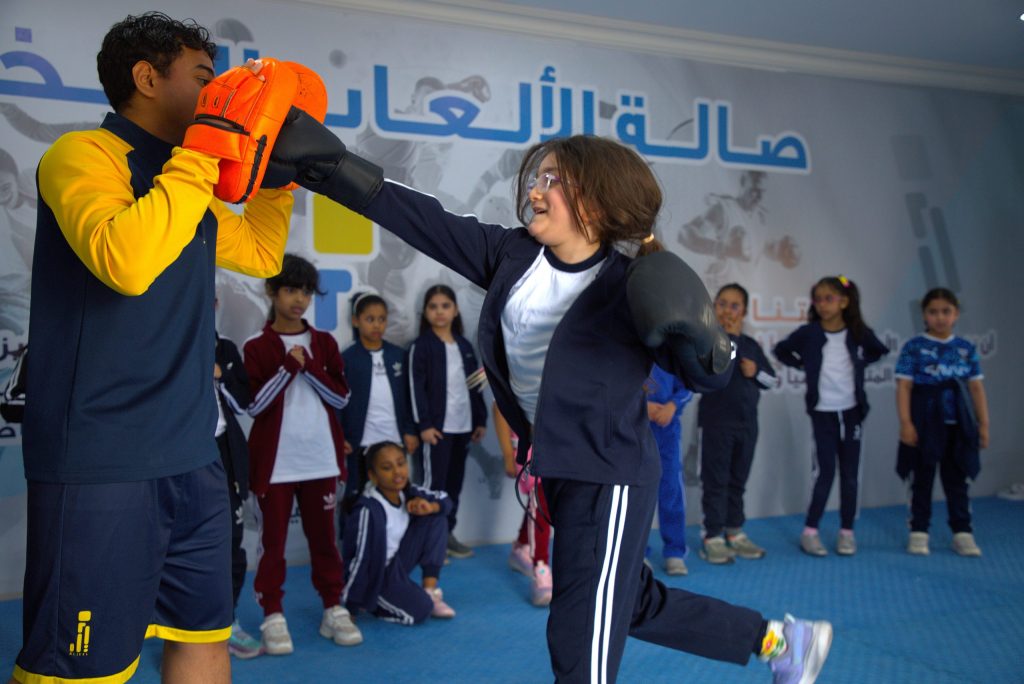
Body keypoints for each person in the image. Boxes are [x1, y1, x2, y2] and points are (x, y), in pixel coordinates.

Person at [266, 119, 834, 682]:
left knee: (579, 634)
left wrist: (707, 338)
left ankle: (782, 643)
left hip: (610, 476)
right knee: (628, 602)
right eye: (536, 179)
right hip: (561, 471)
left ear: (598, 200)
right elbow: (423, 219)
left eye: (553, 180)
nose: (535, 191)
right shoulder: (511, 256)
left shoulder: (632, 287)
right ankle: (782, 642)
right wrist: (331, 169)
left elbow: (709, 376)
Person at [11, 12, 294, 684]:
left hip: (192, 455)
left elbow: (260, 251)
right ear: (146, 77)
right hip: (102, 462)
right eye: (204, 78)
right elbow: (127, 262)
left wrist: (275, 175)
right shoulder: (83, 155)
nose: (218, 93)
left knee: (204, 639)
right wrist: (206, 148)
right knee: (77, 671)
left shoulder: (183, 180)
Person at [243, 253, 362, 654]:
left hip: (320, 460)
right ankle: (272, 615)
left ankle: (333, 607)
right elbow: (254, 407)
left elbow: (341, 399)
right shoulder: (256, 346)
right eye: (291, 290)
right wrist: (287, 368)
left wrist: (308, 367)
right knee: (272, 544)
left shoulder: (324, 343)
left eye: (307, 292)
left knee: (325, 541)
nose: (300, 299)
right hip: (275, 466)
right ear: (272, 291)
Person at [774, 276, 888, 557]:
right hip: (823, 412)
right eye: (818, 299)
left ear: (844, 302)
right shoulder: (810, 333)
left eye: (829, 299)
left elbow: (879, 351)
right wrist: (803, 364)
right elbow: (781, 350)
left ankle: (847, 531)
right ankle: (810, 531)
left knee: (850, 475)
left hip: (851, 412)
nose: (823, 305)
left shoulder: (858, 333)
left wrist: (860, 362)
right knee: (824, 472)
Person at [894, 288, 989, 556]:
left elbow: (976, 388)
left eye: (946, 311)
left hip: (958, 425)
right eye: (933, 312)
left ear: (956, 314)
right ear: (924, 315)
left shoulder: (965, 348)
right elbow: (904, 387)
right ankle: (919, 531)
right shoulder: (914, 347)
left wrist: (983, 424)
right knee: (922, 479)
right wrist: (906, 423)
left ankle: (962, 532)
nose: (940, 317)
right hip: (924, 424)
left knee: (957, 480)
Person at [698, 284, 777, 564]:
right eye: (722, 304)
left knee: (737, 481)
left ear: (744, 311)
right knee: (715, 481)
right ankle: (712, 536)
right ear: (713, 307)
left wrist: (755, 371)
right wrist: (727, 339)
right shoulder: (706, 341)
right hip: (716, 423)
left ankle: (734, 531)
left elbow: (772, 380)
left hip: (747, 425)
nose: (727, 311)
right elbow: (704, 374)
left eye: (734, 306)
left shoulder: (751, 346)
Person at [408, 284, 487, 559]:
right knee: (433, 488)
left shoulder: (465, 346)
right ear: (425, 312)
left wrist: (480, 420)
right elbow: (415, 389)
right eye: (433, 306)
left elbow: (475, 386)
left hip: (462, 429)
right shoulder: (421, 347)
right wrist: (424, 425)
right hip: (436, 431)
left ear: (455, 311)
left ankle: (446, 535)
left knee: (453, 486)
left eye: (445, 306)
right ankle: (428, 544)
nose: (439, 312)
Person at [342, 441, 457, 623]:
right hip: (375, 575)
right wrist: (351, 606)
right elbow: (359, 559)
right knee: (421, 610)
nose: (397, 472)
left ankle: (430, 591)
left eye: (401, 463)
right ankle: (372, 600)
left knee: (436, 516)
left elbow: (444, 499)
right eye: (387, 468)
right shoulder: (368, 509)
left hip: (395, 564)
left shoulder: (408, 491)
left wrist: (429, 506)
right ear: (373, 475)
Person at [339, 292, 419, 530]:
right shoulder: (348, 359)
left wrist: (409, 430)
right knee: (356, 495)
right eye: (370, 319)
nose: (376, 325)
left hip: (394, 439)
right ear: (356, 321)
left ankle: (394, 541)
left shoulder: (398, 355)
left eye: (381, 319)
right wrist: (341, 436)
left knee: (396, 493)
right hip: (360, 442)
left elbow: (408, 398)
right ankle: (352, 541)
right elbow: (339, 401)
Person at [213, 314, 262, 659]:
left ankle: (227, 623)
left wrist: (219, 375)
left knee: (231, 546)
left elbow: (245, 402)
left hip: (224, 455)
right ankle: (178, 637)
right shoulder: (162, 339)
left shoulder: (225, 348)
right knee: (174, 549)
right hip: (177, 457)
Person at [494, 401, 553, 606]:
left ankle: (521, 547)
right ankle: (541, 569)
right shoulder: (519, 378)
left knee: (541, 501)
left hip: (558, 445)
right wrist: (507, 455)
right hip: (527, 448)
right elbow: (499, 408)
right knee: (541, 499)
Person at [644, 363, 693, 575]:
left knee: (671, 490)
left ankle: (675, 551)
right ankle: (638, 553)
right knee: (638, 495)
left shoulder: (671, 351)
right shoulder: (627, 349)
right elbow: (614, 387)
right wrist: (640, 406)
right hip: (634, 431)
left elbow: (689, 385)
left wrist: (673, 405)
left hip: (667, 431)